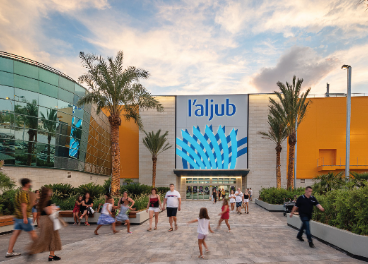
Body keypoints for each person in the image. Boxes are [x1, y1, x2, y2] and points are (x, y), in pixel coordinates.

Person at [28, 187, 62, 261]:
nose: (51, 192)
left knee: (47, 237)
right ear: (47, 193)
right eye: (50, 191)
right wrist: (55, 208)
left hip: (43, 220)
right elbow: (49, 212)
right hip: (49, 220)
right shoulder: (48, 201)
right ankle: (32, 250)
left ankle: (51, 255)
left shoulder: (40, 201)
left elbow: (39, 213)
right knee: (53, 237)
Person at [6, 178, 37, 258]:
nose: (30, 184)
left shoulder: (18, 192)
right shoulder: (24, 193)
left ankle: (9, 252)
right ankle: (39, 247)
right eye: (29, 183)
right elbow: (23, 205)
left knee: (15, 234)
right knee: (33, 233)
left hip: (17, 217)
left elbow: (17, 204)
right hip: (24, 217)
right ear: (26, 184)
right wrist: (25, 217)